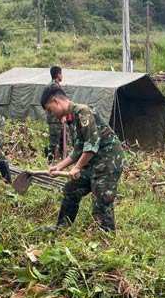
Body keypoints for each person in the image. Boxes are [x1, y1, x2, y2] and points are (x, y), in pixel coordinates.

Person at [42, 83, 124, 232]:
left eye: (49, 109)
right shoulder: (72, 118)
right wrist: (59, 166)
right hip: (93, 162)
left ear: (55, 101)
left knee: (101, 201)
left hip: (108, 161)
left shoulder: (83, 112)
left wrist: (78, 167)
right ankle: (61, 229)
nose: (51, 114)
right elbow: (79, 150)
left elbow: (92, 145)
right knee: (71, 189)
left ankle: (106, 240)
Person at [45, 66, 64, 162]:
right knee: (53, 143)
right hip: (55, 119)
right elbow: (59, 102)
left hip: (55, 119)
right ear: (58, 75)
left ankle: (60, 160)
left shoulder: (52, 85)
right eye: (61, 74)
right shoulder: (54, 86)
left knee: (61, 141)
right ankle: (49, 162)